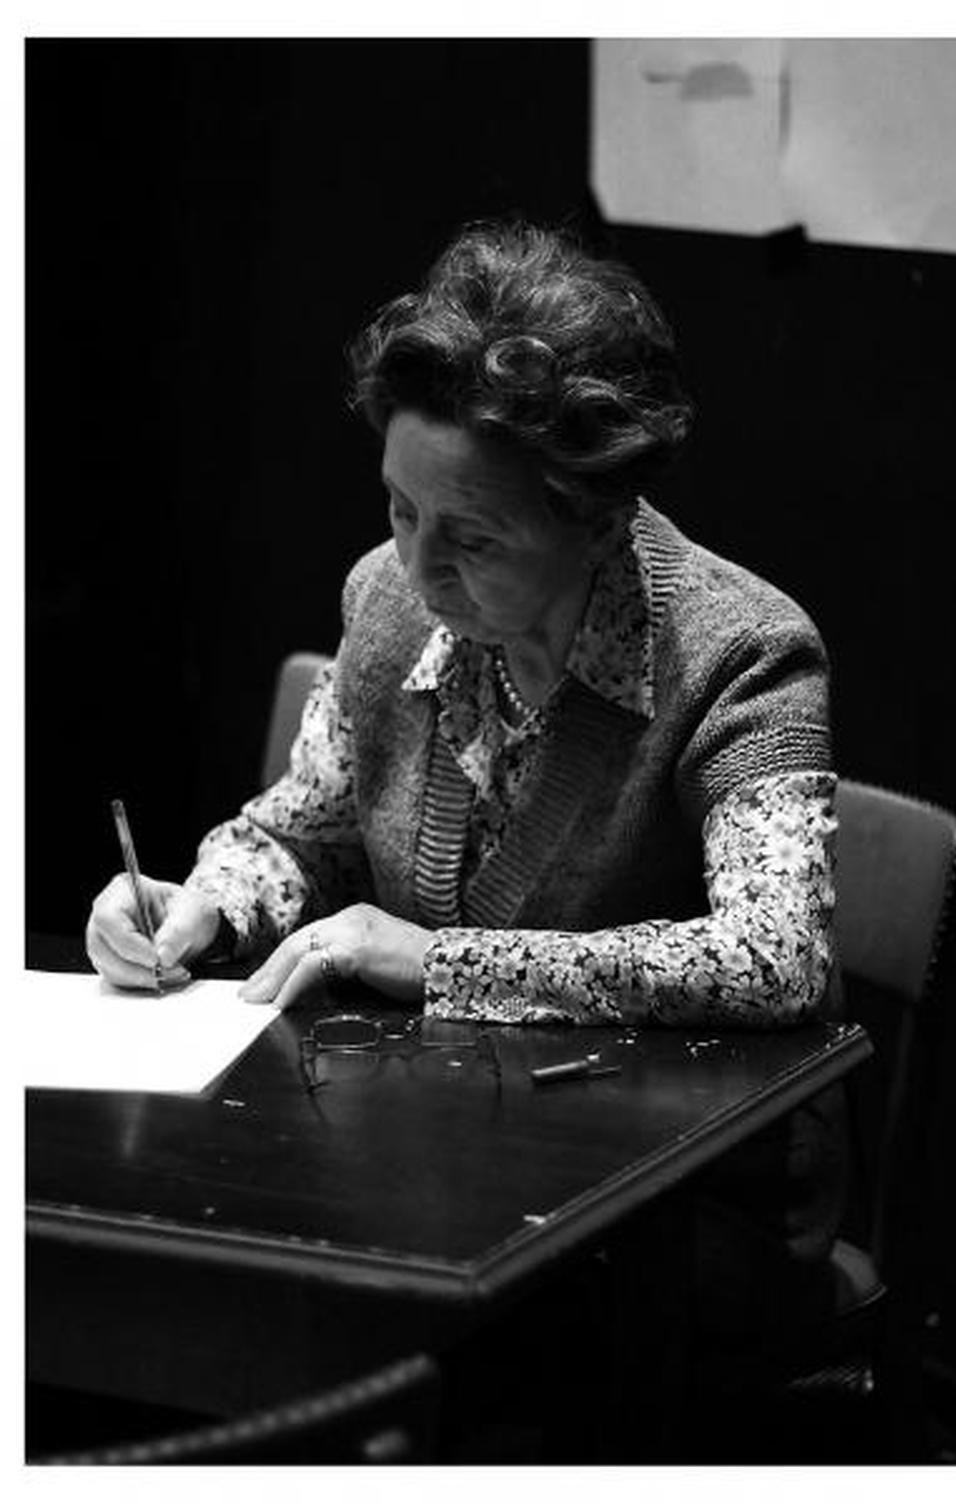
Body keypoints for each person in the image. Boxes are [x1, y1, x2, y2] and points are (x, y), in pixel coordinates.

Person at [86, 222, 844, 1443]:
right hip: (426, 1160)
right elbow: (305, 830)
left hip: (669, 1212)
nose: (420, 566)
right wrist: (208, 902)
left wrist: (439, 960)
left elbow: (775, 957)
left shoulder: (740, 652)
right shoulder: (387, 600)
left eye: (473, 536)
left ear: (596, 519)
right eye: (400, 509)